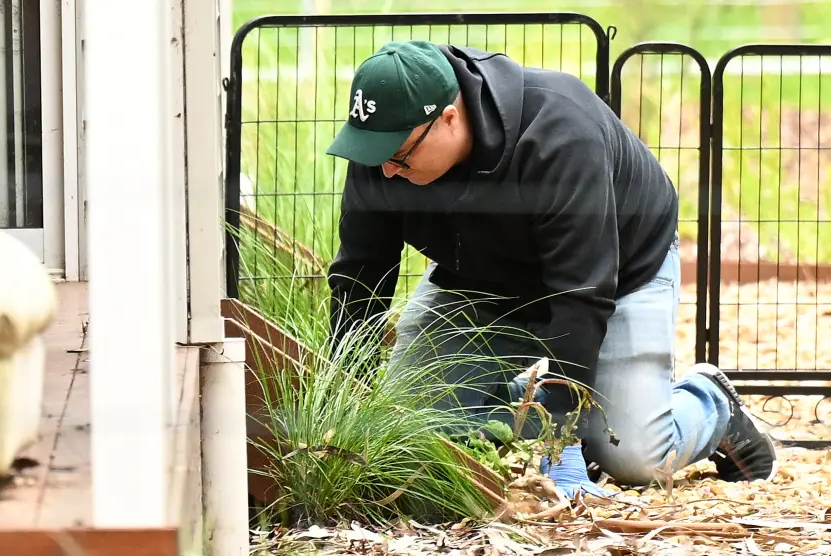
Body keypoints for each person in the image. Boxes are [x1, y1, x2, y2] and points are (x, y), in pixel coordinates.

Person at [322, 40, 778, 497]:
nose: (386, 171)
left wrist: (564, 442)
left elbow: (580, 294)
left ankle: (711, 404)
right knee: (415, 427)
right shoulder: (385, 151)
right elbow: (361, 274)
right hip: (479, 279)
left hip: (615, 276)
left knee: (634, 457)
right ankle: (555, 402)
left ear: (449, 118)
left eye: (400, 155)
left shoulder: (560, 134)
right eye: (375, 154)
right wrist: (342, 401)